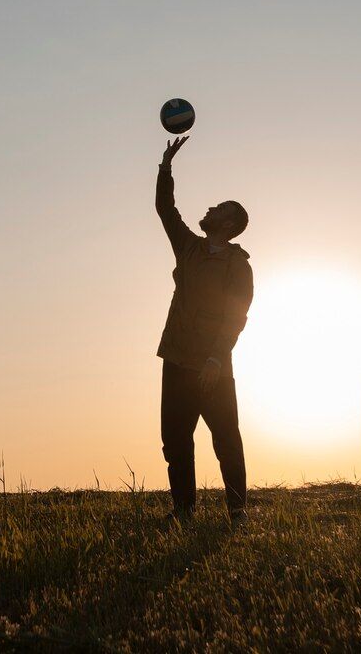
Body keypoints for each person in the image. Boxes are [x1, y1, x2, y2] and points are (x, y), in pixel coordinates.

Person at [155, 135, 253, 525]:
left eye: (219, 208)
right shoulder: (190, 248)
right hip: (177, 358)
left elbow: (237, 316)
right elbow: (166, 209)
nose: (210, 207)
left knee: (227, 441)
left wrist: (216, 357)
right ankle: (183, 512)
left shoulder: (238, 266)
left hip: (213, 366)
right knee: (176, 442)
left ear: (228, 224)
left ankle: (238, 511)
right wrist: (166, 167)